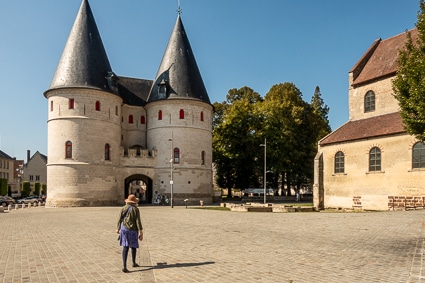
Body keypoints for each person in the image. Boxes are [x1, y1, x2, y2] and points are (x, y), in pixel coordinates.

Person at [116, 194, 144, 273]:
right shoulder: (135, 209)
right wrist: (141, 232)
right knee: (133, 246)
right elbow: (138, 221)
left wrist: (118, 228)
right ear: (134, 202)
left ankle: (124, 266)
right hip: (133, 230)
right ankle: (133, 262)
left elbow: (119, 218)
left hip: (124, 229)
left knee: (125, 247)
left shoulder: (123, 208)